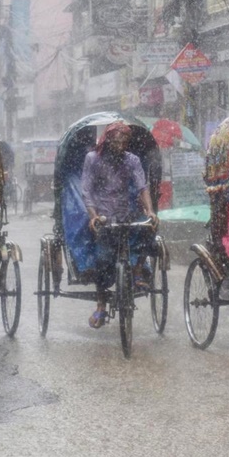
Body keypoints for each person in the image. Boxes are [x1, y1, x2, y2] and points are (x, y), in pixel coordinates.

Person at [80, 121, 157, 328]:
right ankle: (101, 306)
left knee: (150, 229)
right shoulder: (93, 159)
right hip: (103, 216)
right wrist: (93, 215)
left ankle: (139, 269)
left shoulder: (132, 160)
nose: (121, 145)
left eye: (125, 142)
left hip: (127, 214)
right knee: (103, 260)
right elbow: (86, 190)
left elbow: (142, 186)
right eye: (117, 141)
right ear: (107, 140)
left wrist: (150, 211)